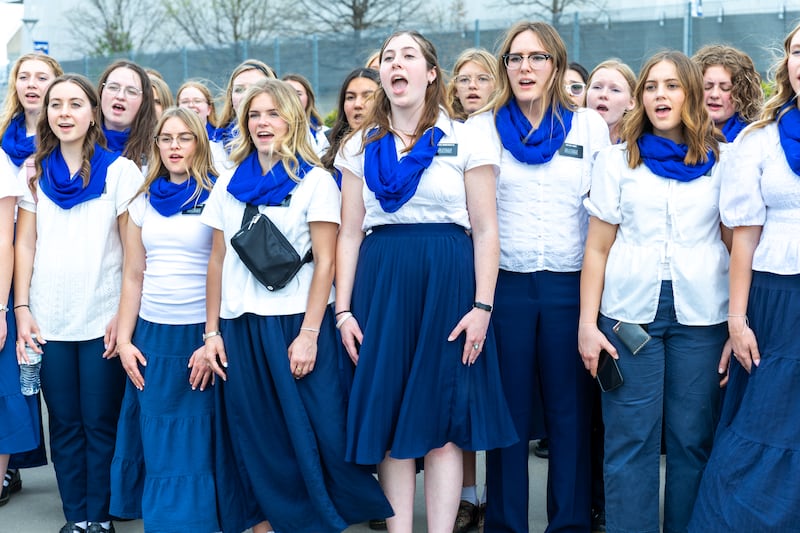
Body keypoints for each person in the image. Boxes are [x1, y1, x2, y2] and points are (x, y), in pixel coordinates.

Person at [335, 30, 517, 533]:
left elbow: (485, 229)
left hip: (449, 283)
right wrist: (343, 310)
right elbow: (349, 234)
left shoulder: (469, 137)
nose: (397, 63)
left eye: (408, 55)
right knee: (390, 418)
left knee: (442, 420)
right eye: (389, 57)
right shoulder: (358, 144)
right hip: (382, 285)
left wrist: (482, 307)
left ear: (431, 73)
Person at [201, 79, 392, 533]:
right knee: (258, 433)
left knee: (318, 429)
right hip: (241, 325)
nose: (263, 123)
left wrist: (309, 334)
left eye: (273, 113)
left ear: (292, 118)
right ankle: (265, 522)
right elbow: (217, 258)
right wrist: (211, 333)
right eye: (254, 115)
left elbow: (325, 261)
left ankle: (319, 519)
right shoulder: (228, 181)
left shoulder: (316, 180)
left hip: (298, 324)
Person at [578, 50, 729, 533]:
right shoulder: (617, 159)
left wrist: (741, 319)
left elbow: (734, 243)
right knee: (630, 440)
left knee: (691, 441)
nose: (660, 95)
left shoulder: (723, 160)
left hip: (703, 316)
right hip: (627, 314)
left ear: (690, 93)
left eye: (671, 85)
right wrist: (586, 325)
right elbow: (598, 248)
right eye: (651, 86)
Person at [469, 21, 610, 533]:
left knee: (570, 414)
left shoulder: (588, 127)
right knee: (507, 413)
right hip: (505, 286)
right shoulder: (482, 127)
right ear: (504, 67)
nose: (525, 68)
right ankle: (504, 523)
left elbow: (600, 214)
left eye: (537, 57)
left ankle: (569, 523)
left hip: (568, 287)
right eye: (515, 58)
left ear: (556, 64)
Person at [14, 74, 144, 533]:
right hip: (48, 320)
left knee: (100, 422)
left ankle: (101, 516)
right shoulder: (34, 170)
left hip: (102, 320)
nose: (63, 113)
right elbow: (25, 246)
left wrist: (123, 321)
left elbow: (134, 257)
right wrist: (22, 309)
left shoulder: (121, 171)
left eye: (74, 104)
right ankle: (76, 518)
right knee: (65, 424)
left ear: (93, 113)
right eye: (55, 104)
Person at [688, 23, 800, 533]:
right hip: (778, 299)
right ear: (787, 64)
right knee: (765, 421)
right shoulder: (760, 140)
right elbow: (743, 238)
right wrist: (737, 320)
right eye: (798, 51)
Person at [108, 107, 219, 532]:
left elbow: (222, 267)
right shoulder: (142, 199)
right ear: (156, 146)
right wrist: (125, 340)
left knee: (199, 440)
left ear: (199, 143)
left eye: (184, 137)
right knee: (159, 439)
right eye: (166, 138)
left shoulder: (219, 194)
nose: (175, 147)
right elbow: (134, 274)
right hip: (153, 337)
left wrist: (212, 336)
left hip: (201, 334)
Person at [0, 51, 63, 501]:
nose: (32, 84)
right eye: (24, 77)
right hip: (14, 257)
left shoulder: (63, 137)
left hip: (51, 259)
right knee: (16, 372)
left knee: (45, 372)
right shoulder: (3, 140)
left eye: (43, 77)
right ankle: (11, 467)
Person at [444, 45, 499, 533]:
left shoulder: (504, 130)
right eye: (464, 78)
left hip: (507, 271)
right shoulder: (445, 134)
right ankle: (466, 496)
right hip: (461, 269)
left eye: (483, 78)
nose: (473, 86)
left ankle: (493, 497)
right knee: (459, 393)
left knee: (490, 398)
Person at [320, 68, 379, 188]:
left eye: (367, 96)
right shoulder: (328, 150)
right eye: (350, 97)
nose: (358, 104)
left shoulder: (397, 148)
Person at [692, 44, 763, 142]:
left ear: (742, 94)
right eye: (707, 87)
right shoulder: (674, 134)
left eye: (725, 88)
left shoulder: (759, 139)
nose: (714, 95)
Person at [97, 60, 157, 169]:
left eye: (131, 91)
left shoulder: (156, 152)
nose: (120, 96)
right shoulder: (79, 145)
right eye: (113, 87)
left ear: (144, 101)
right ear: (101, 91)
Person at [215, 59, 275, 150]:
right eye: (239, 90)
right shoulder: (215, 148)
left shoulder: (294, 144)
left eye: (255, 89)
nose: (245, 96)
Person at [177, 80, 228, 168]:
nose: (191, 105)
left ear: (209, 109)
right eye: (185, 102)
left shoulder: (222, 139)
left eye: (197, 101)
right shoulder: (169, 140)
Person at [586, 59, 636, 144]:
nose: (603, 94)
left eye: (615, 90)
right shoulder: (567, 133)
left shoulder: (641, 146)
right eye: (597, 87)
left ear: (631, 102)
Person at [283, 73, 330, 155]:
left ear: (308, 98)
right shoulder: (271, 133)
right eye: (287, 94)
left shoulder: (324, 134)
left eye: (298, 94)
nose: (293, 98)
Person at [447, 48, 499, 121]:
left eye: (482, 79)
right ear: (455, 90)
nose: (472, 86)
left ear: (497, 86)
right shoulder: (441, 129)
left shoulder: (513, 128)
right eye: (464, 80)